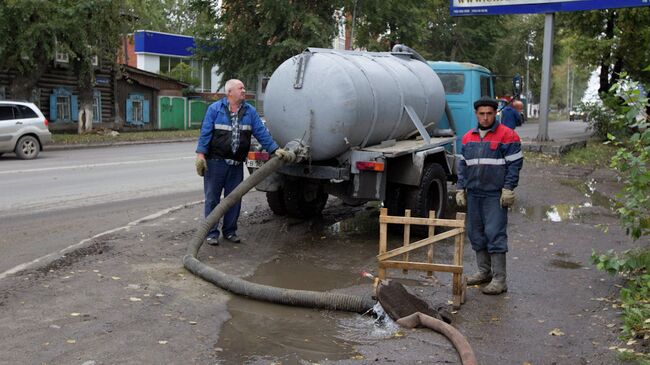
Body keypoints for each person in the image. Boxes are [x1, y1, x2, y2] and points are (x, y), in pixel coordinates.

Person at [195, 79, 294, 245]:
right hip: (215, 163)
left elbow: (261, 133)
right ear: (229, 92)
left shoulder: (250, 111)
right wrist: (200, 155)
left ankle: (230, 231)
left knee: (234, 198)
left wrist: (274, 149)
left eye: (243, 87)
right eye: (240, 88)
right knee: (212, 198)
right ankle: (211, 233)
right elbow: (205, 133)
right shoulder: (215, 109)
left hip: (236, 164)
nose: (244, 90)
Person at [455, 96, 523, 295]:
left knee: (495, 234)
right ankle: (484, 272)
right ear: (476, 114)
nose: (485, 118)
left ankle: (500, 280)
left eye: (489, 114)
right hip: (474, 193)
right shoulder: (468, 137)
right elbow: (462, 166)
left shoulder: (507, 135)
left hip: (494, 194)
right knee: (476, 233)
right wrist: (461, 188)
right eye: (481, 114)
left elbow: (514, 165)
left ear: (495, 114)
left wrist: (508, 188)